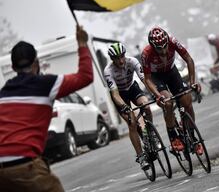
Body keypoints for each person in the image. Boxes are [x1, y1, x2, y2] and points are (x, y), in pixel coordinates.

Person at [0, 25, 93, 192]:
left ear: (13, 68)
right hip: (25, 164)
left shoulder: (4, 93)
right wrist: (82, 44)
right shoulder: (46, 84)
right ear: (37, 63)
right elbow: (85, 77)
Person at [141, 26, 203, 155]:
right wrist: (158, 95)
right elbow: (147, 79)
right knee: (168, 103)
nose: (163, 51)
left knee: (187, 102)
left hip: (172, 72)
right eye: (159, 48)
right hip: (156, 77)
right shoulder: (146, 53)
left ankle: (192, 137)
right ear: (152, 46)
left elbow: (189, 60)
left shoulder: (173, 41)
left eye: (165, 46)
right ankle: (173, 136)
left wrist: (193, 82)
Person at [104, 42, 153, 170]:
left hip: (132, 87)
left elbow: (144, 80)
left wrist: (154, 92)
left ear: (125, 55)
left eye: (122, 56)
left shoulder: (132, 61)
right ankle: (141, 156)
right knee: (132, 123)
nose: (120, 60)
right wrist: (124, 106)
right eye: (116, 58)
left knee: (146, 106)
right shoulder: (108, 71)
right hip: (120, 95)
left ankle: (150, 133)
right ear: (112, 59)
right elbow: (114, 94)